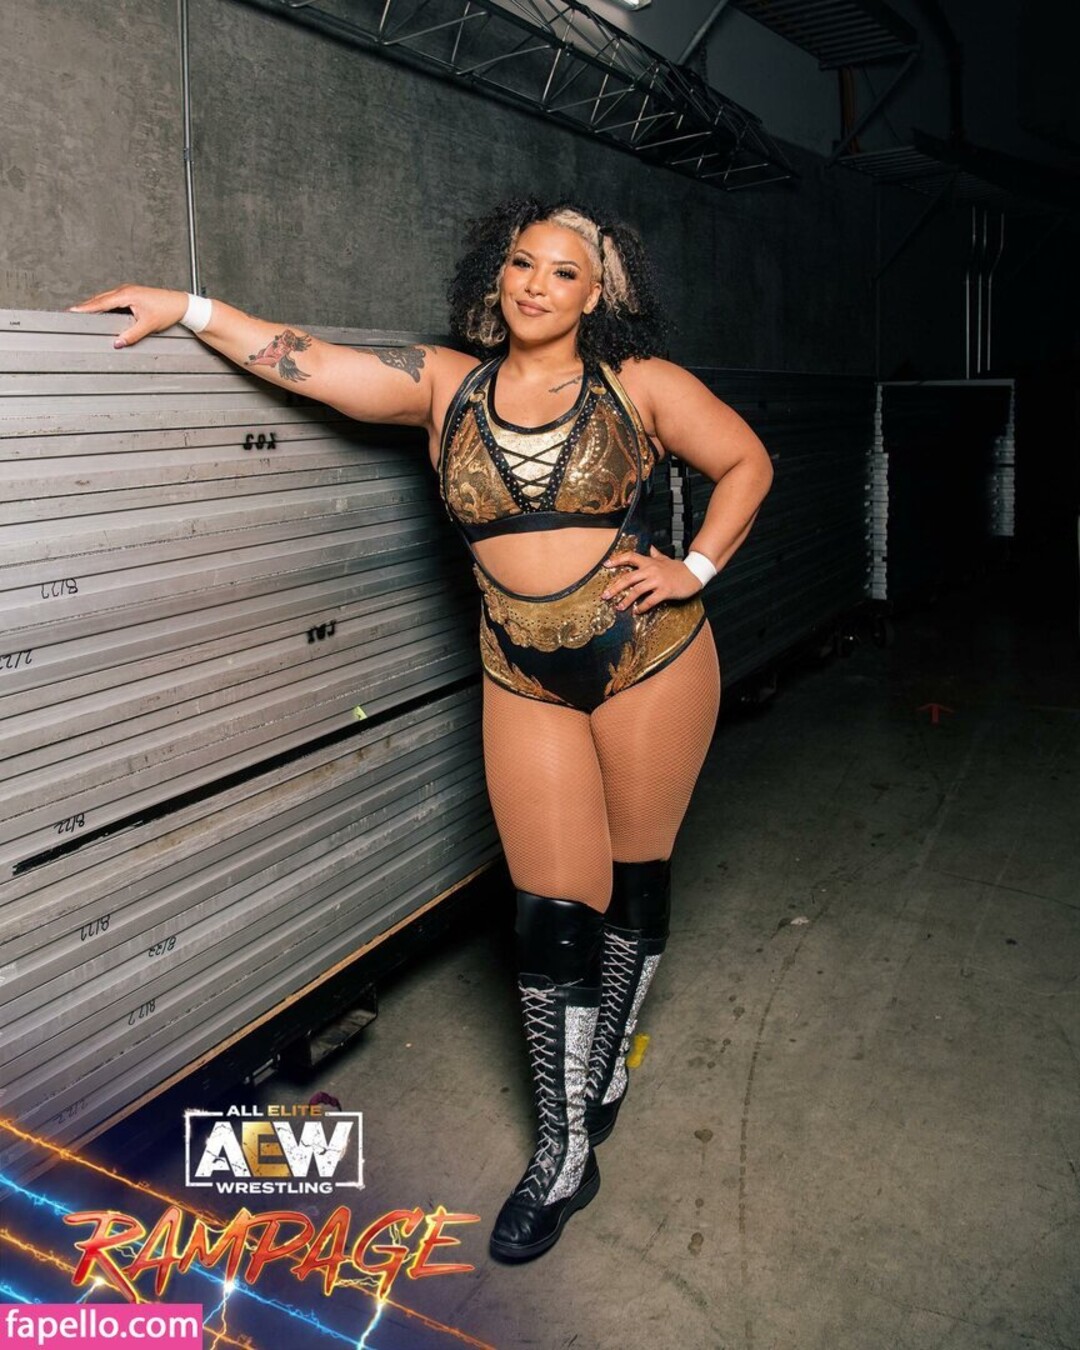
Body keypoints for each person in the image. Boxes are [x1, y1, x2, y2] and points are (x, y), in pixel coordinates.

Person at [72, 196, 773, 1264]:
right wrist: (191, 307)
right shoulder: (447, 384)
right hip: (522, 674)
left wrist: (695, 568)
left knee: (635, 879)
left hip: (651, 660)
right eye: (523, 264)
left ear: (599, 294)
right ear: (498, 274)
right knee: (550, 910)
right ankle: (564, 1154)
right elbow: (309, 362)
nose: (537, 285)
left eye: (564, 272)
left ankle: (605, 1066)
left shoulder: (641, 385)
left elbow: (748, 463)